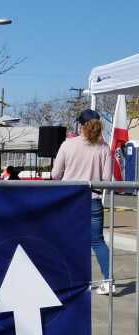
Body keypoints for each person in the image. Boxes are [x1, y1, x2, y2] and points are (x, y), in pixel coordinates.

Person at [52, 109, 114, 295]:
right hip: (93, 198)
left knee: (68, 240)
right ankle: (108, 281)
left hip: (69, 199)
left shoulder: (67, 145)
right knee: (97, 241)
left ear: (80, 125)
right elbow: (106, 178)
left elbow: (55, 175)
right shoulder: (103, 149)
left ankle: (72, 281)